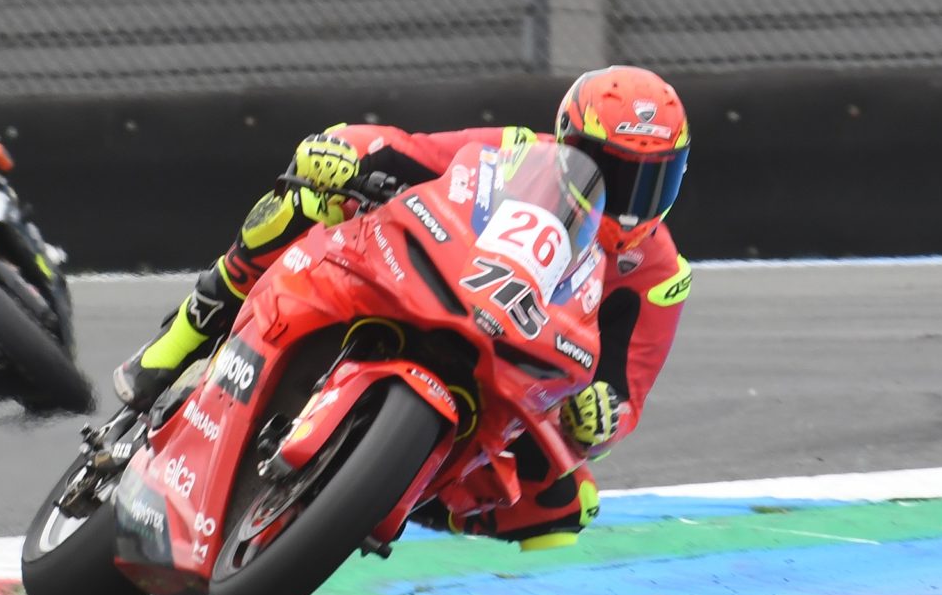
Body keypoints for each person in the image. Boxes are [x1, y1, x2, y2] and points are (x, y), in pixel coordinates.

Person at [111, 66, 693, 464]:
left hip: (517, 373)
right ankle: (187, 332)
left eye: (651, 180)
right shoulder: (522, 151)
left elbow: (626, 389)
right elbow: (414, 151)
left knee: (568, 504)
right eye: (610, 171)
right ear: (568, 141)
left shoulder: (660, 275)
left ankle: (400, 490)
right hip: (441, 277)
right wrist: (346, 150)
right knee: (309, 203)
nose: (626, 200)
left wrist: (604, 417)